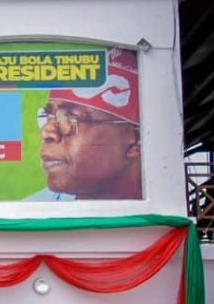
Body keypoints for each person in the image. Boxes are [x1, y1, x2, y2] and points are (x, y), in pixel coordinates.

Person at [28, 47, 141, 201]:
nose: (46, 132)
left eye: (68, 118)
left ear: (135, 141)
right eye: (48, 116)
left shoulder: (165, 209)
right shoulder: (30, 210)